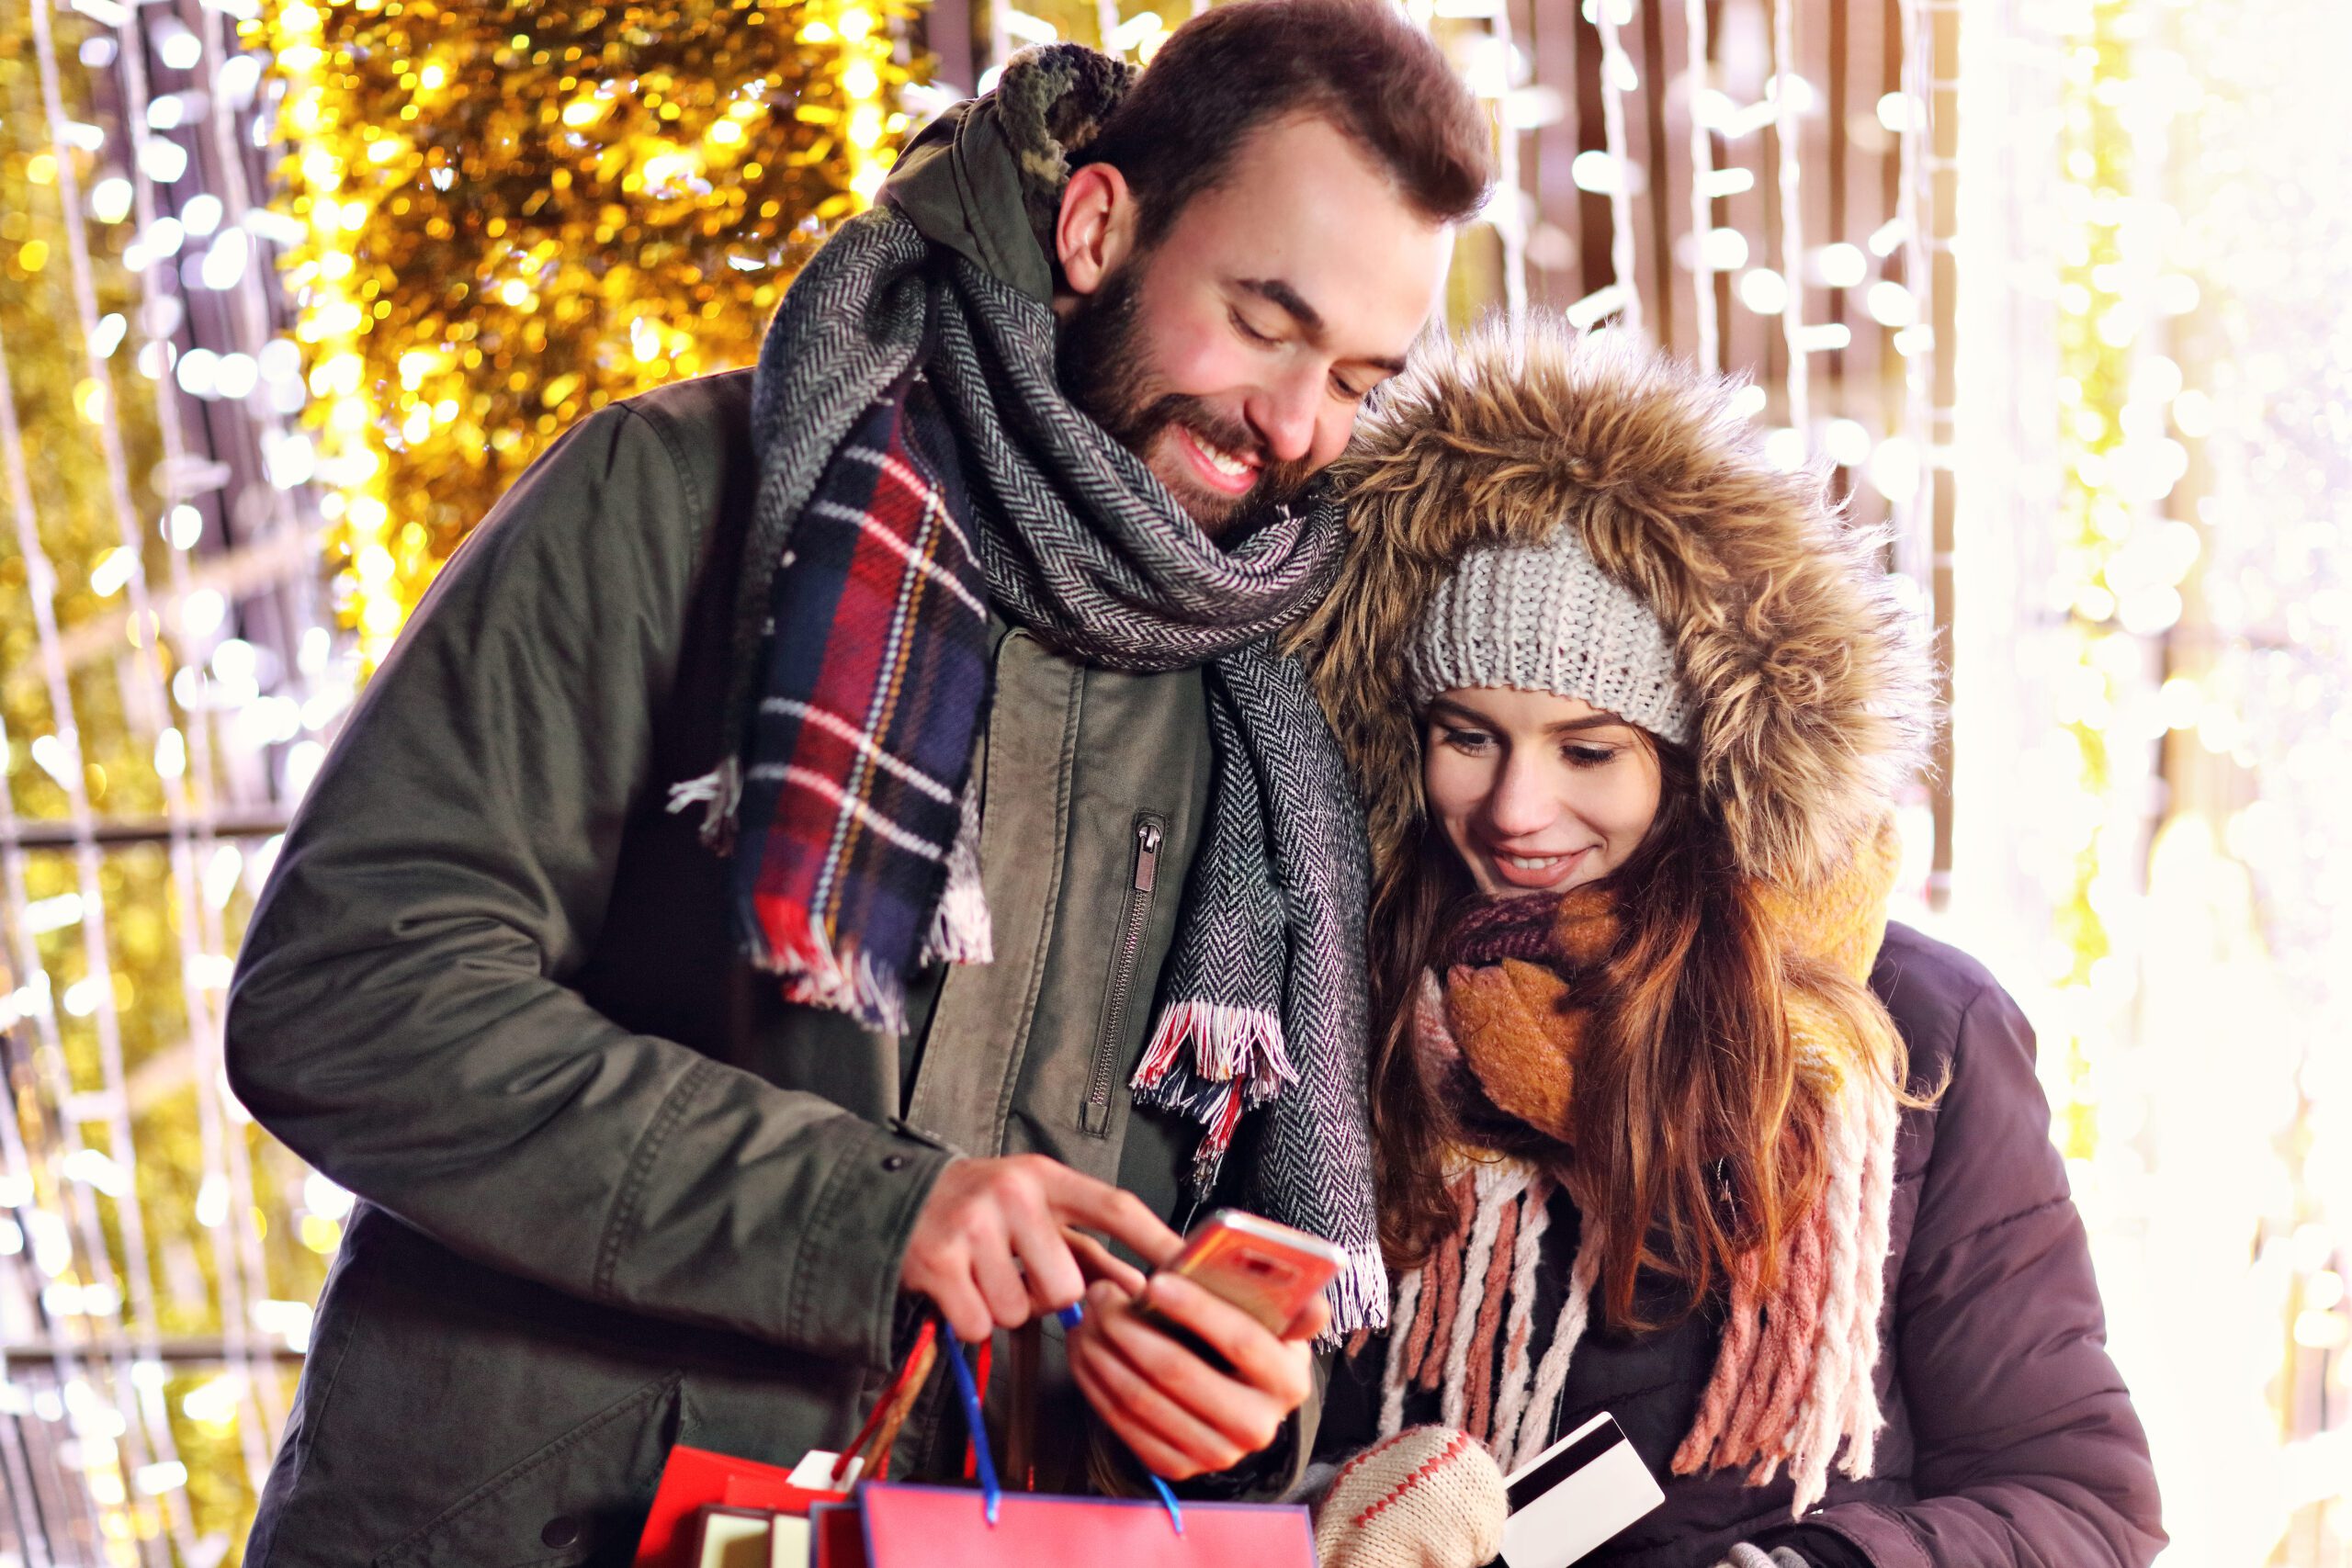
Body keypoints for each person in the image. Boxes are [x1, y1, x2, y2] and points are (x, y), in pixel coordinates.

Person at [223, 8, 1490, 1562]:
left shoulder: (1269, 711)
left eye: (1358, 378)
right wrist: (875, 1214)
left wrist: (1232, 1397)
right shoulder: (681, 496)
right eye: (1263, 320)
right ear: (1100, 225)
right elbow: (351, 997)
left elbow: (1214, 1222)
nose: (1298, 426)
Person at [1296, 320, 2165, 1567]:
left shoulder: (1914, 1033)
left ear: (1698, 765)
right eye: (1467, 734)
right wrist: (1334, 1507)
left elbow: (2083, 1505)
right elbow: (1222, 1434)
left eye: (1589, 751)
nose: (1514, 809)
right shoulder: (1345, 994)